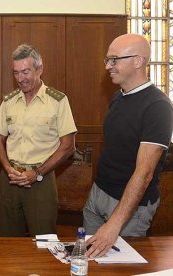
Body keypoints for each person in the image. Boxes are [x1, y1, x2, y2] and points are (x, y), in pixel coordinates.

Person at [84, 34, 173, 258]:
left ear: (138, 61)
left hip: (128, 209)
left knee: (120, 268)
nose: (108, 66)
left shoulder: (158, 107)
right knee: (88, 261)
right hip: (98, 195)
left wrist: (114, 225)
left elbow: (144, 174)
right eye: (107, 60)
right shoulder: (118, 97)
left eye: (114, 60)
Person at [0, 44, 77, 236]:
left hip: (41, 180)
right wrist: (7, 168)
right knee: (8, 242)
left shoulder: (58, 101)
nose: (21, 79)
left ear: (40, 69)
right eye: (16, 73)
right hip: (10, 179)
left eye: (26, 72)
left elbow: (68, 146)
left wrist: (36, 172)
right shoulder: (9, 101)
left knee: (44, 242)